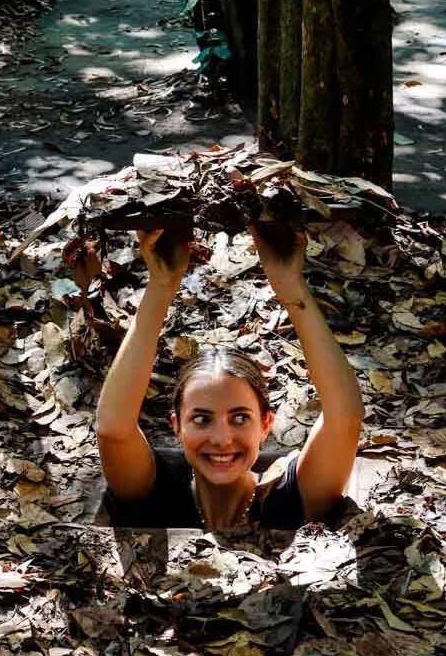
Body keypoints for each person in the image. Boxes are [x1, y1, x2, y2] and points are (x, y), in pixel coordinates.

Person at [96, 225, 364, 530]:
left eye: (239, 419)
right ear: (177, 427)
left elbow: (345, 417)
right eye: (201, 419)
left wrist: (290, 285)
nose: (222, 440)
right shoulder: (155, 492)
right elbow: (112, 430)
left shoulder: (292, 497)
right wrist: (161, 285)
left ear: (265, 425)